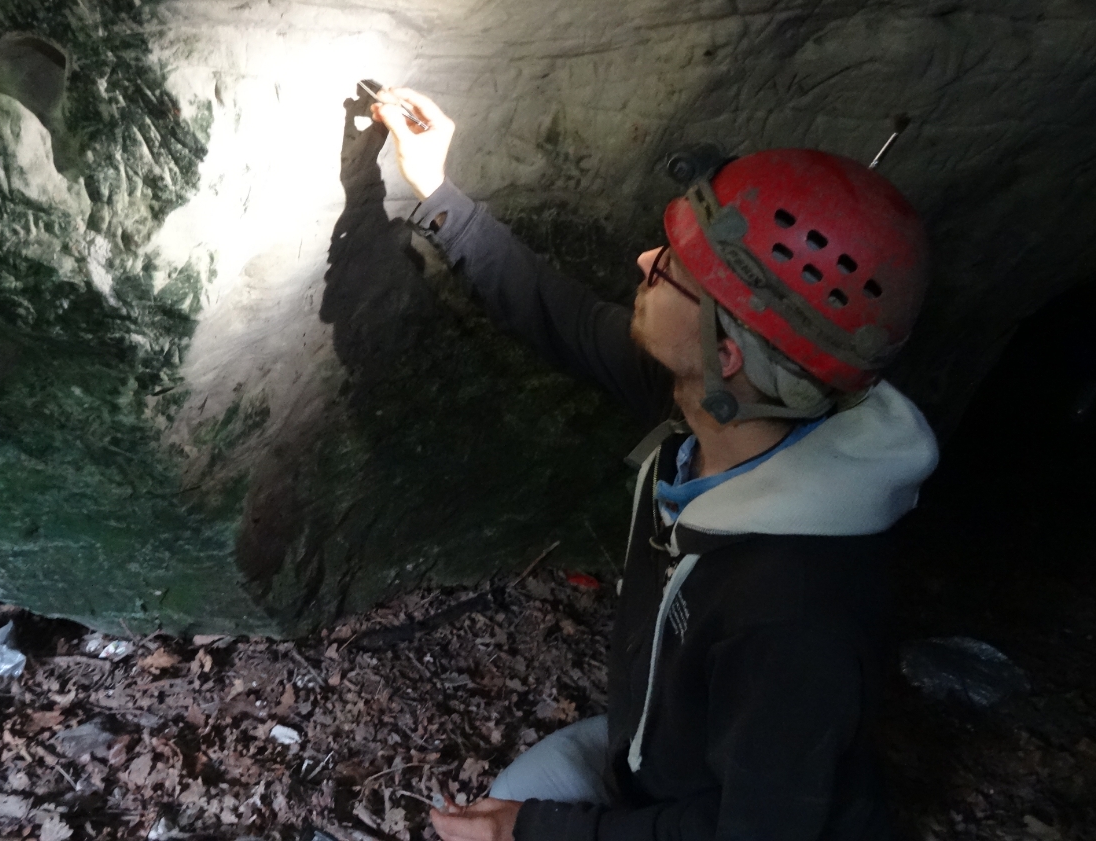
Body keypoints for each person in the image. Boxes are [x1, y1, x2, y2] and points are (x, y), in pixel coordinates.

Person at [368, 87, 940, 841]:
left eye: (671, 268)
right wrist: (439, 192)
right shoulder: (721, 412)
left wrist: (529, 831)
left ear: (725, 352)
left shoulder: (797, 611)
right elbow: (565, 319)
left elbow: (755, 832)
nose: (643, 259)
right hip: (659, 766)